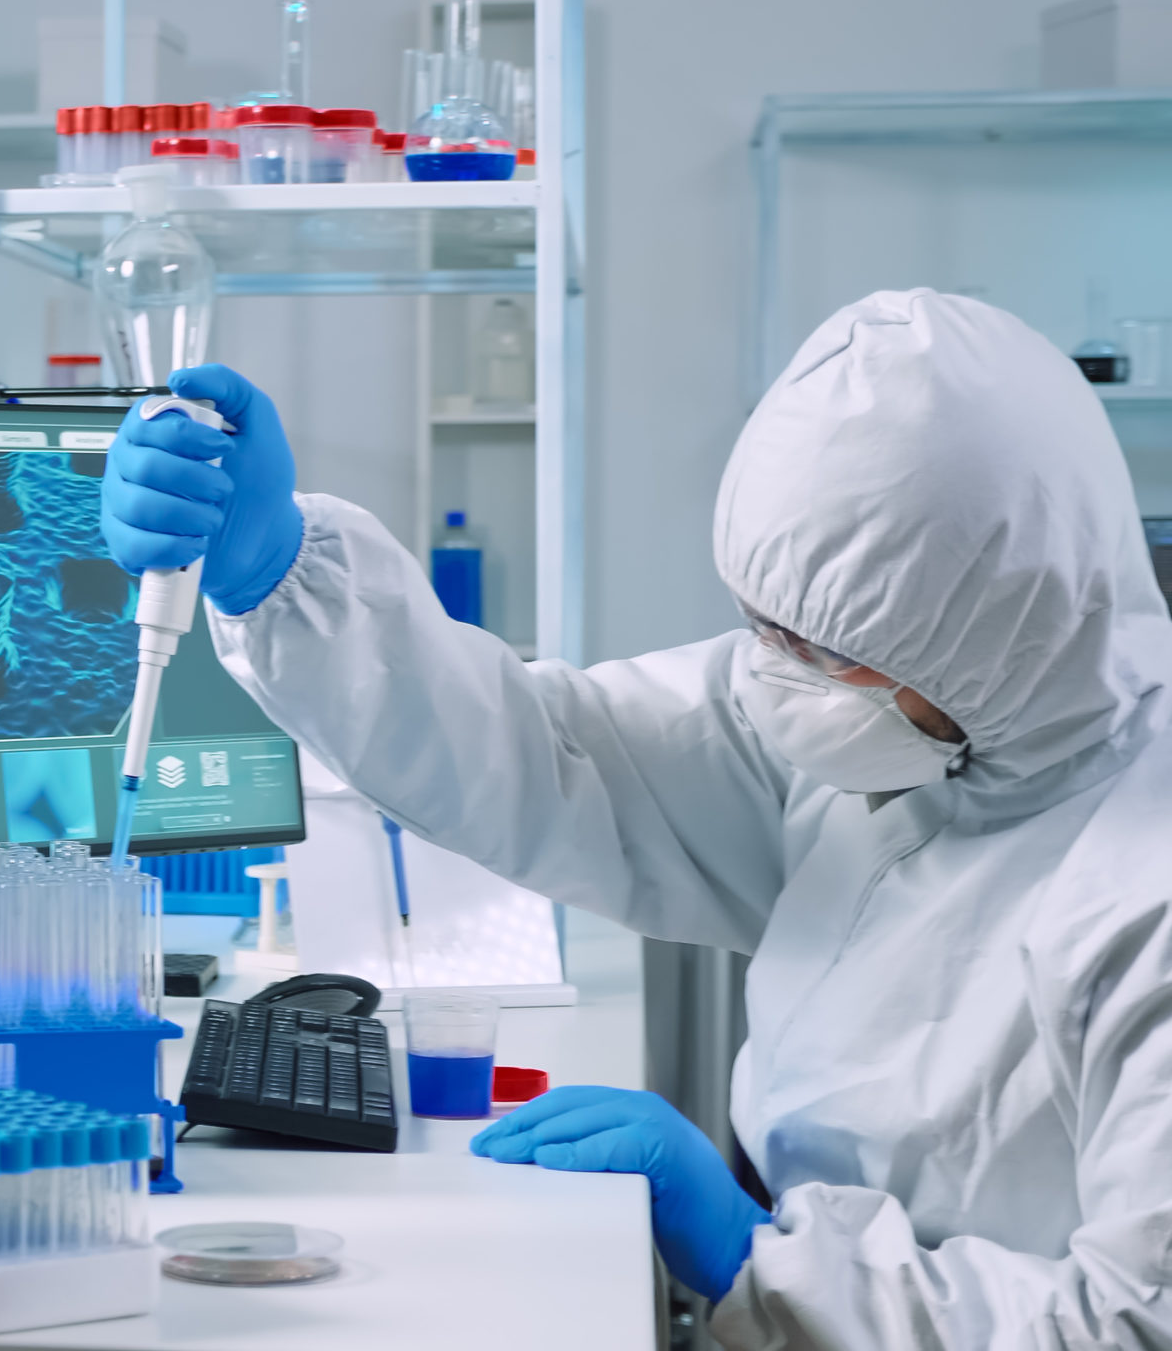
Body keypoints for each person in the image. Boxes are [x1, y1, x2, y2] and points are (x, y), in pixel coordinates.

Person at [100, 290, 1172, 1346]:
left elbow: (1131, 1321)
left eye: (820, 649)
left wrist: (764, 1263)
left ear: (999, 633)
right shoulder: (913, 718)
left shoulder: (1139, 889)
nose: (776, 675)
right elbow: (561, 755)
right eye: (764, 627)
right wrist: (283, 577)